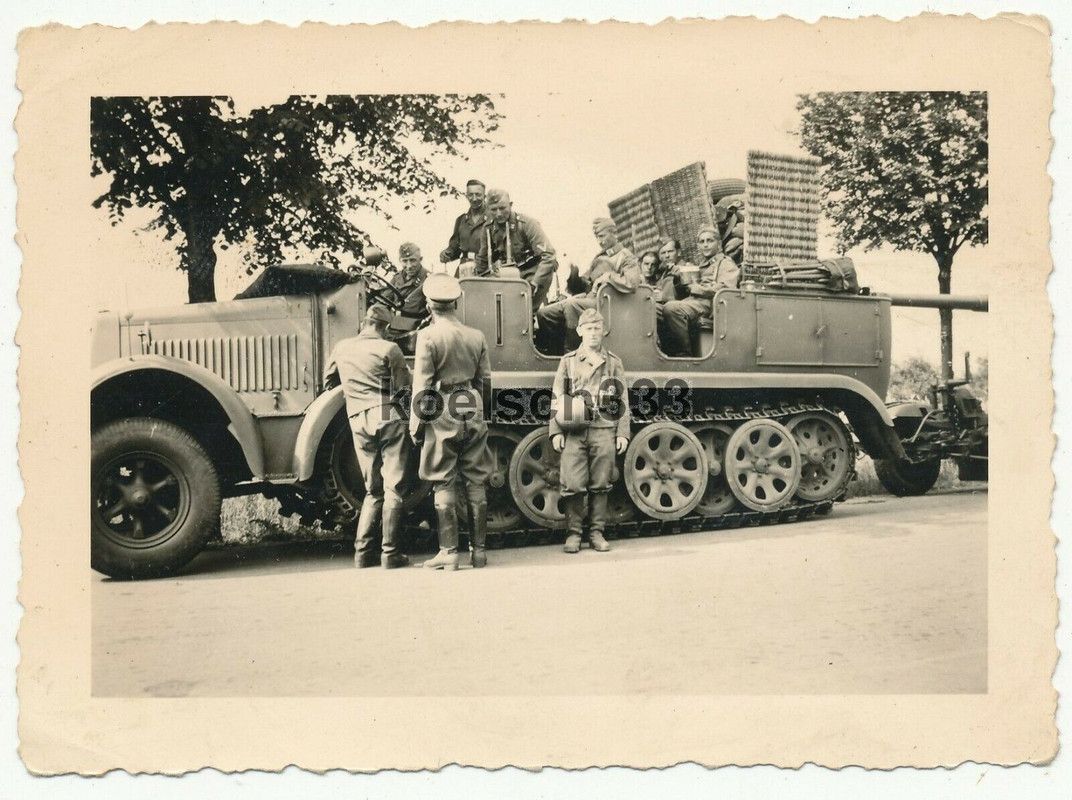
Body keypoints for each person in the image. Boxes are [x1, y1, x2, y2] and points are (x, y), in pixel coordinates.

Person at [410, 274, 495, 571]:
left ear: (430, 305)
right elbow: (484, 381)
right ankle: (479, 553)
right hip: (471, 405)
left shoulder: (428, 337)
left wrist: (416, 425)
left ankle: (449, 554)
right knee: (475, 478)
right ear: (456, 303)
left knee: (443, 479)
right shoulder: (476, 336)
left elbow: (422, 385)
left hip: (443, 408)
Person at [323, 305, 413, 569]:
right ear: (385, 327)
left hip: (357, 420)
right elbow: (403, 390)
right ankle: (390, 553)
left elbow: (328, 382)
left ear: (364, 323)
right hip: (387, 416)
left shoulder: (341, 348)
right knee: (393, 487)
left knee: (372, 490)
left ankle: (362, 553)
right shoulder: (389, 349)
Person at [549, 308, 631, 554]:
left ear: (603, 331)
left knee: (601, 483)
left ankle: (596, 533)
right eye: (588, 329)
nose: (593, 333)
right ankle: (573, 534)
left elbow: (622, 398)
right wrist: (556, 431)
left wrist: (622, 433)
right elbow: (557, 397)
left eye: (597, 329)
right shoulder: (569, 361)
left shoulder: (614, 363)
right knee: (572, 483)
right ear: (579, 331)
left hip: (604, 428)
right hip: (574, 429)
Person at [535, 218, 641, 355]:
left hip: (611, 305)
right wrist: (575, 278)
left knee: (571, 306)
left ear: (614, 233)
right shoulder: (599, 258)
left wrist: (608, 277)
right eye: (597, 237)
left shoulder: (625, 257)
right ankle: (552, 353)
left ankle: (573, 353)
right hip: (593, 301)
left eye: (602, 236)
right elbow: (586, 284)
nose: (600, 241)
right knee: (545, 313)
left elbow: (632, 283)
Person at [660, 226, 740, 356]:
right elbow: (687, 292)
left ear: (718, 243)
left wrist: (699, 289)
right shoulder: (701, 265)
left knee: (671, 308)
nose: (705, 245)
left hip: (711, 305)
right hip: (696, 303)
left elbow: (726, 289)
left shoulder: (725, 263)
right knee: (655, 308)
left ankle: (684, 353)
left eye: (710, 241)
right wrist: (678, 280)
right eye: (702, 242)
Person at [474, 188, 558, 311]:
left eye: (502, 208)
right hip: (509, 274)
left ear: (511, 205)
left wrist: (535, 283)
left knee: (522, 312)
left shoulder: (526, 224)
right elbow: (483, 259)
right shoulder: (488, 228)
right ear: (487, 208)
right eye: (493, 209)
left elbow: (549, 255)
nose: (498, 214)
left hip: (533, 272)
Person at [439, 179, 488, 277]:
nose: (474, 199)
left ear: (484, 196)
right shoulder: (461, 220)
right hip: (464, 269)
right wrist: (447, 254)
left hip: (486, 269)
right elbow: (454, 248)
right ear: (466, 196)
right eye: (470, 195)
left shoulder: (492, 218)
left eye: (478, 195)